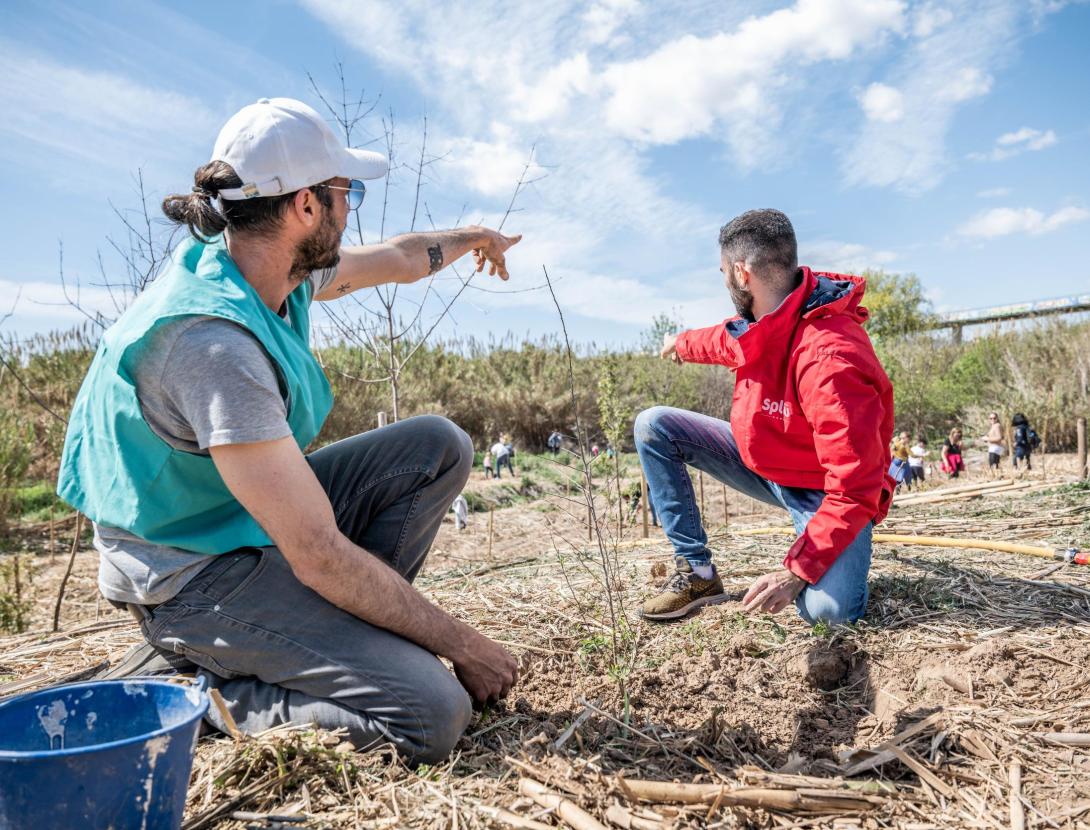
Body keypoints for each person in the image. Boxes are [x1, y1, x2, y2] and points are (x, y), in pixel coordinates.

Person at [56, 98, 522, 764]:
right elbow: (318, 553)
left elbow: (397, 256)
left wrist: (477, 236)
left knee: (434, 447)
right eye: (347, 192)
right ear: (307, 206)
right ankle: (197, 689)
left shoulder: (275, 268)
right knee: (430, 713)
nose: (351, 206)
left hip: (228, 519)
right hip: (188, 574)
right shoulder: (212, 344)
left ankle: (335, 644)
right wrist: (462, 644)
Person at [635, 209, 894, 626]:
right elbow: (720, 339)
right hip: (767, 466)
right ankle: (697, 573)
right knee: (654, 425)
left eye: (722, 273)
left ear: (741, 273)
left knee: (829, 614)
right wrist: (679, 343)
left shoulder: (830, 359)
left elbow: (854, 486)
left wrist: (795, 572)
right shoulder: (762, 322)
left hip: (825, 492)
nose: (722, 283)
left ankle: (823, 552)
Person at [983, 412, 1005, 476]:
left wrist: (987, 439)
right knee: (995, 465)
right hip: (994, 448)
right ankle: (998, 477)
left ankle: (996, 478)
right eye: (991, 418)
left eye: (994, 418)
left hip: (995, 448)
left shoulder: (997, 425)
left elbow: (999, 438)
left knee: (993, 466)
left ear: (997, 418)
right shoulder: (993, 426)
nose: (992, 420)